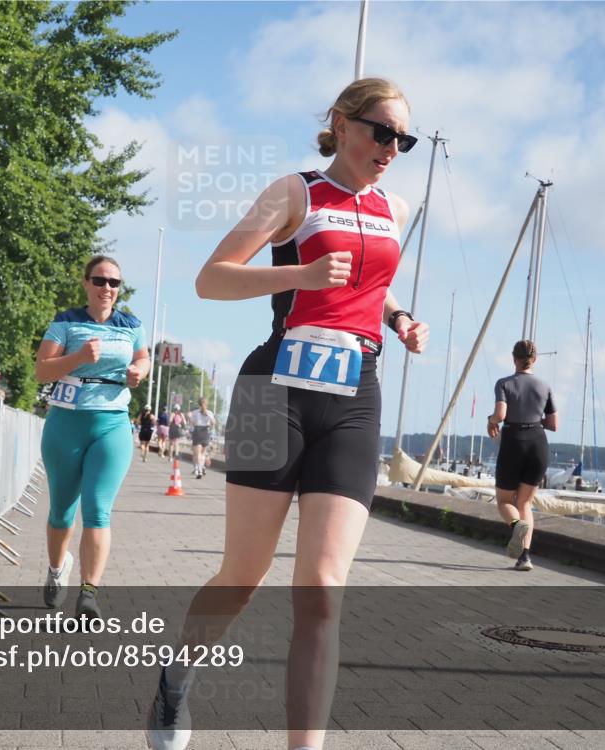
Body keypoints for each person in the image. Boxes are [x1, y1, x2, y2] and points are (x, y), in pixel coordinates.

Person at [146, 78, 429, 750]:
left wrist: (399, 318)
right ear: (342, 122)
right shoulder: (294, 192)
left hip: (354, 394)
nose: (392, 148)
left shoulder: (398, 205)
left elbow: (374, 283)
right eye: (381, 132)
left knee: (323, 592)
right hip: (276, 390)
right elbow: (211, 278)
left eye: (404, 139)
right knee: (244, 576)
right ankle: (176, 679)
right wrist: (296, 277)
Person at [35, 255, 150, 619]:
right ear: (86, 283)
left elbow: (144, 358)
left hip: (112, 423)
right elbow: (41, 370)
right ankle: (56, 570)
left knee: (98, 509)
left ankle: (88, 593)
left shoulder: (130, 325)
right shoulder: (66, 322)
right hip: (66, 423)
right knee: (61, 512)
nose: (107, 289)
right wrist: (79, 357)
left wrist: (138, 372)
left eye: (114, 283)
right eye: (100, 281)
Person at [487, 339, 558, 572]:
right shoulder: (545, 386)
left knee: (505, 501)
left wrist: (491, 421)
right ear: (534, 359)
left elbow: (501, 413)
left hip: (513, 443)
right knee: (525, 502)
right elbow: (553, 424)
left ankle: (516, 525)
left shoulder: (504, 383)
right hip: (538, 443)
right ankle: (525, 557)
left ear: (513, 358)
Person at [188, 397, 215, 479]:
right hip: (205, 431)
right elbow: (213, 423)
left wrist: (190, 419)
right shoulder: (209, 412)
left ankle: (199, 470)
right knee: (203, 453)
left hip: (197, 431)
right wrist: (209, 422)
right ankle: (201, 468)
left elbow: (192, 423)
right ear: (206, 404)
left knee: (197, 454)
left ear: (198, 403)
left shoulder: (194, 412)